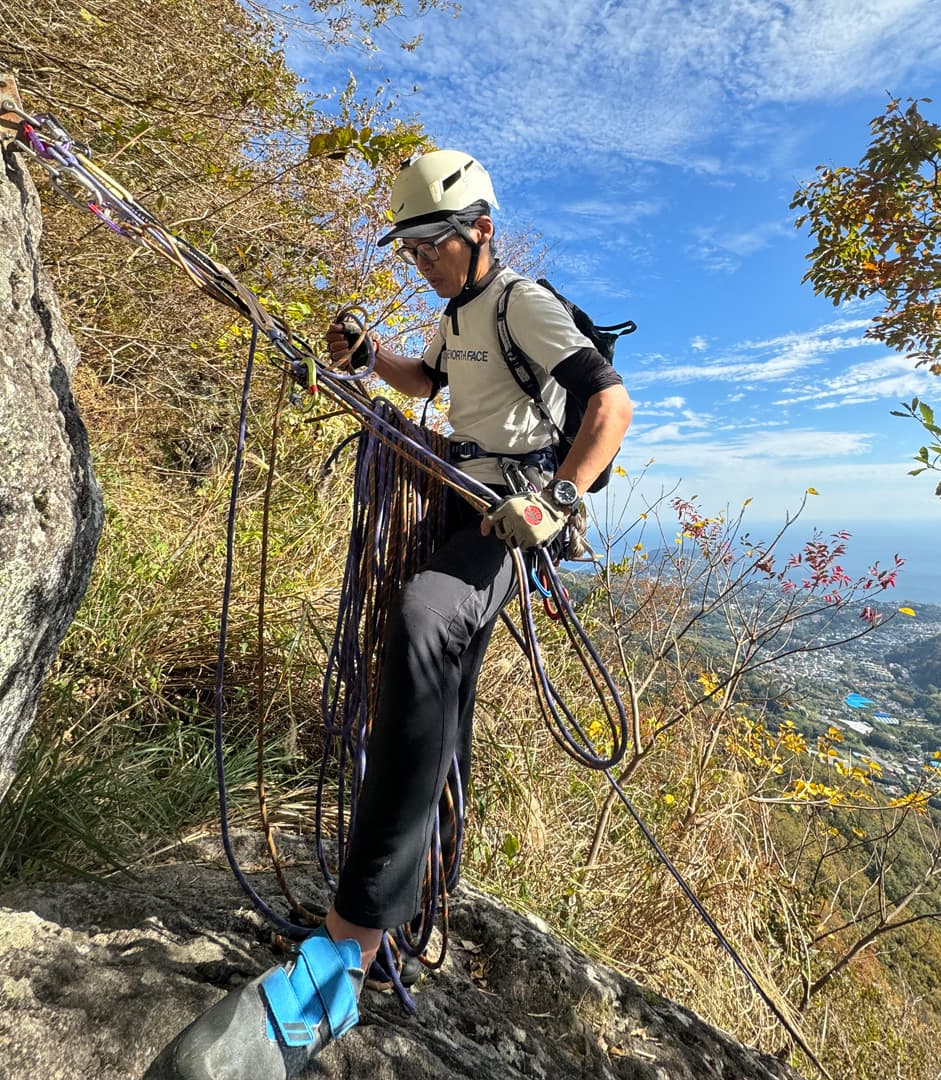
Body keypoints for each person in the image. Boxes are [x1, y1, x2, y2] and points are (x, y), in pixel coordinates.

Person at [149, 149, 633, 1080]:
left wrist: (560, 500)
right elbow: (430, 380)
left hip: (514, 512)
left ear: (478, 231)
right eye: (409, 246)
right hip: (462, 498)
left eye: (432, 243)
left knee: (423, 621)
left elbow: (609, 404)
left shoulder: (522, 302)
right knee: (429, 675)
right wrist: (370, 361)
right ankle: (413, 878)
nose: (419, 259)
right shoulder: (457, 318)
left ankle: (348, 949)